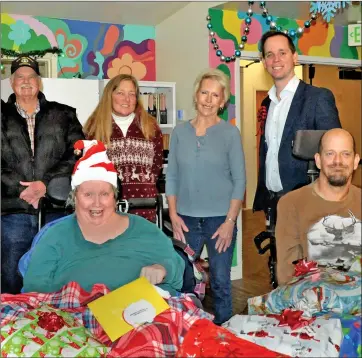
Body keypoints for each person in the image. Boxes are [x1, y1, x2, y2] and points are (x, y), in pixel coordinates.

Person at [22, 140, 185, 295]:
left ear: (115, 198)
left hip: (139, 315)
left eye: (104, 194)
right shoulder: (55, 235)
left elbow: (176, 270)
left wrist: (162, 268)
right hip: (72, 315)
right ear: (74, 198)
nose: (97, 203)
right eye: (88, 194)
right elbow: (33, 288)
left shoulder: (145, 230)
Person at [166, 68, 246, 325]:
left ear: (223, 102)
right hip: (186, 219)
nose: (209, 100)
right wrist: (173, 214)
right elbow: (173, 176)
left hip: (220, 220)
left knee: (221, 282)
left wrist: (230, 222)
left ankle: (225, 334)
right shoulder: (179, 132)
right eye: (204, 93)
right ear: (196, 95)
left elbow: (240, 180)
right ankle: (188, 330)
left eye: (215, 95)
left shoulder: (230, 133)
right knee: (184, 280)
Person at [1, 55, 84, 294]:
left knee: (58, 274)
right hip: (13, 210)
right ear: (12, 82)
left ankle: (55, 325)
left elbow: (77, 152)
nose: (26, 81)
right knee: (11, 277)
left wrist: (45, 185)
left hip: (56, 210)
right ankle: (11, 328)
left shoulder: (64, 114)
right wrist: (23, 189)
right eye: (20, 77)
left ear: (40, 82)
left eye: (31, 77)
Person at [253, 31, 341, 215]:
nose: (276, 59)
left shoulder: (317, 98)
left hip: (309, 204)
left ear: (295, 57)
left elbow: (335, 155)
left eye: (282, 53)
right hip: (273, 202)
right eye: (269, 54)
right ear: (264, 62)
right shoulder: (267, 103)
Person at [276, 128, 361, 285]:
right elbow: (288, 276)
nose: (338, 161)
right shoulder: (291, 204)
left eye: (345, 154)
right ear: (318, 160)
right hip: (314, 301)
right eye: (330, 153)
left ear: (355, 161)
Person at [84, 74, 163, 223]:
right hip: (106, 211)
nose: (126, 99)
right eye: (120, 93)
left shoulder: (151, 127)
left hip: (144, 208)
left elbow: (156, 167)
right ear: (110, 95)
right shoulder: (93, 128)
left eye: (131, 94)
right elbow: (90, 173)